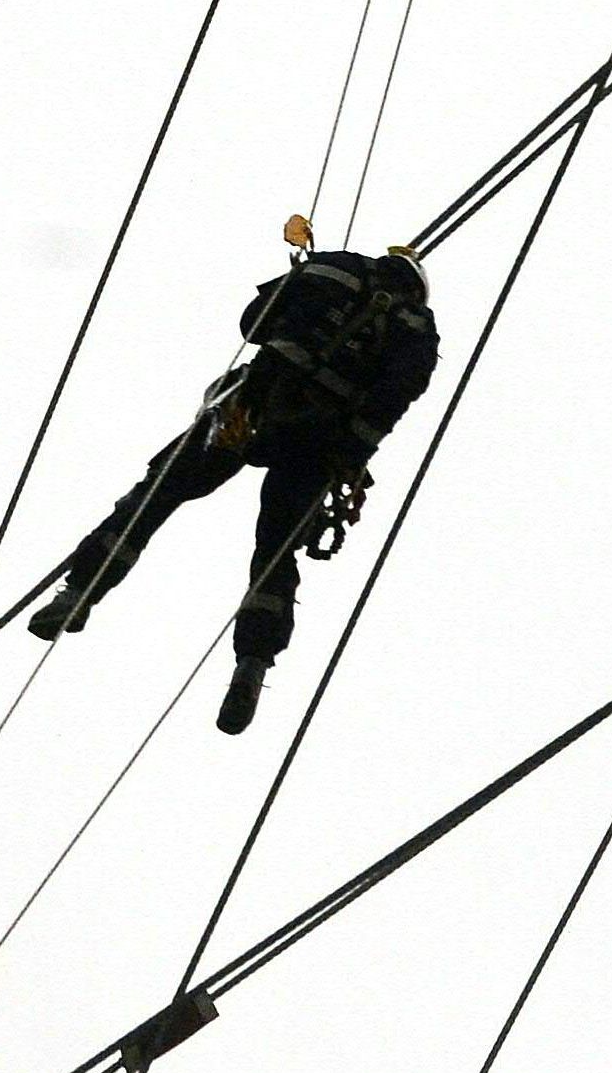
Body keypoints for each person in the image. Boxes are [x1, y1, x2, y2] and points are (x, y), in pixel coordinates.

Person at [29, 226, 439, 734]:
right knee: (276, 546)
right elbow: (398, 395)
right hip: (317, 438)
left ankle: (78, 593)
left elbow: (252, 324)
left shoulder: (331, 265)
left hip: (253, 407)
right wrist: (350, 452)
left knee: (160, 492)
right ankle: (252, 664)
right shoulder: (418, 327)